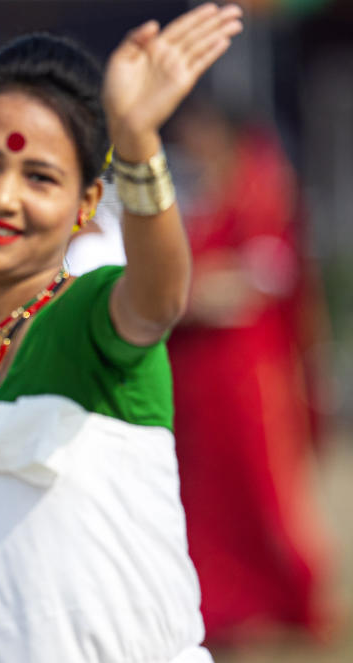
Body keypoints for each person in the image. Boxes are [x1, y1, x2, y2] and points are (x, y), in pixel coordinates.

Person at [0, 4, 243, 663]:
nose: (3, 197)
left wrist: (139, 141)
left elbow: (159, 298)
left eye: (40, 177)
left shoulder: (96, 316)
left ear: (86, 205)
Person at [168, 100, 335, 641]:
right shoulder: (205, 192)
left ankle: (276, 598)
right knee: (208, 489)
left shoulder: (260, 185)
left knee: (255, 484)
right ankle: (224, 600)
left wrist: (200, 292)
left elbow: (269, 271)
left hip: (245, 367)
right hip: (200, 369)